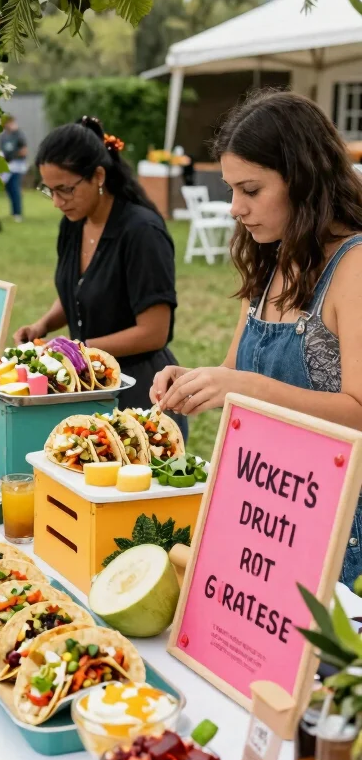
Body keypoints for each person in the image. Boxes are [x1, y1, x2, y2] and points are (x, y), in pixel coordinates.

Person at [151, 90, 362, 586]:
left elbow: (357, 410)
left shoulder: (354, 265)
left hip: (338, 533)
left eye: (250, 189)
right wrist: (194, 382)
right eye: (230, 190)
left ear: (305, 180)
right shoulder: (272, 258)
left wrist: (244, 388)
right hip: (268, 518)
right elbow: (236, 374)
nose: (234, 209)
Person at [13, 116, 185, 424]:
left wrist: (78, 349)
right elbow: (77, 292)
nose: (56, 202)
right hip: (91, 387)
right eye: (49, 190)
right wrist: (43, 326)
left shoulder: (141, 232)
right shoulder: (72, 225)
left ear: (99, 176)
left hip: (139, 394)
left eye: (65, 189)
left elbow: (154, 332)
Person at [0, 115, 28, 222]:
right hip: (7, 165)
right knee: (9, 189)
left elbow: (24, 150)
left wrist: (13, 156)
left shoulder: (19, 135)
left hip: (17, 165)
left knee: (15, 188)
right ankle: (14, 211)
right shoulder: (4, 136)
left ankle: (18, 213)